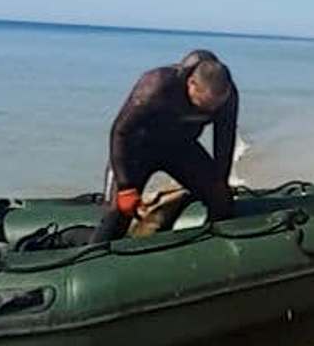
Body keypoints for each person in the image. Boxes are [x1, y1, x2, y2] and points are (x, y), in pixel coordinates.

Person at [91, 50, 239, 243]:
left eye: (214, 106)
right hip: (138, 149)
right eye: (204, 104)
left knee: (221, 200)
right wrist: (126, 187)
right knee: (118, 213)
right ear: (191, 84)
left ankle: (209, 249)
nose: (209, 110)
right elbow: (120, 132)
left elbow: (224, 139)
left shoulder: (227, 97)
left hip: (181, 148)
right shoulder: (157, 85)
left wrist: (221, 181)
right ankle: (88, 251)